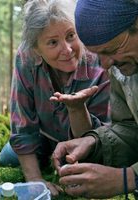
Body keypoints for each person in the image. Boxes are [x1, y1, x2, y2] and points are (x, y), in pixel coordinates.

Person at [0, 0, 110, 196]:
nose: (67, 50)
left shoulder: (99, 60)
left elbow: (100, 137)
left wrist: (77, 108)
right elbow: (23, 124)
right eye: (53, 42)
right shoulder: (26, 57)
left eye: (71, 36)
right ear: (36, 49)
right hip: (44, 137)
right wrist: (35, 180)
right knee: (9, 157)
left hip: (88, 144)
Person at [52, 0, 138, 199]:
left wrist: (128, 179)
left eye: (110, 50)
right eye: (99, 55)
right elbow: (131, 128)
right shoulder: (124, 68)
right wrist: (95, 142)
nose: (106, 65)